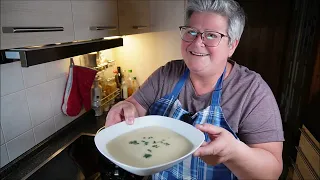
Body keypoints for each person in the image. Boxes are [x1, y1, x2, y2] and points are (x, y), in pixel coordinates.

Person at [105, 0, 285, 179]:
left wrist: (234, 153)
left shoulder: (252, 92)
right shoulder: (167, 74)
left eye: (212, 35)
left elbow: (272, 172)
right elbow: (134, 107)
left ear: (232, 45)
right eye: (192, 32)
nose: (197, 42)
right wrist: (125, 107)